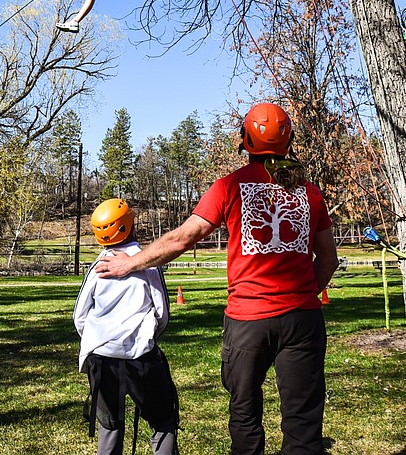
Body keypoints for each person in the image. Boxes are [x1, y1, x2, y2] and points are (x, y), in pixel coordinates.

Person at [97, 102, 338, 455]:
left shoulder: (229, 186)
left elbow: (182, 238)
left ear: (245, 141)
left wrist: (128, 264)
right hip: (303, 320)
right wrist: (302, 294)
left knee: (245, 412)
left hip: (248, 322)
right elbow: (328, 260)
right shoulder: (311, 192)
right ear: (289, 141)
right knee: (303, 423)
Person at [74, 198, 179, 455]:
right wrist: (147, 337)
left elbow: (80, 315)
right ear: (129, 225)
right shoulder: (147, 263)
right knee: (163, 421)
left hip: (101, 356)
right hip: (140, 355)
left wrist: (98, 338)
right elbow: (162, 313)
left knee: (109, 425)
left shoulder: (97, 266)